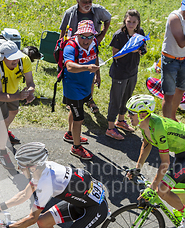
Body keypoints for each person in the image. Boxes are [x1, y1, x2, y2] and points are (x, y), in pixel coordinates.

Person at [126, 95, 185, 228]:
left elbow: (165, 163)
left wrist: (152, 187)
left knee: (162, 189)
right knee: (179, 191)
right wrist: (137, 169)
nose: (128, 116)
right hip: (181, 153)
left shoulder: (158, 128)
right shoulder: (145, 124)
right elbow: (147, 143)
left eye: (131, 113)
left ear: (142, 114)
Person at [0, 40, 35, 169]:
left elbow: (30, 83)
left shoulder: (24, 60)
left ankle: (3, 132)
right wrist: (19, 96)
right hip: (1, 95)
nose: (16, 61)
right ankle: (2, 153)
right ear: (2, 58)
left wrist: (30, 92)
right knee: (3, 122)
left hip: (13, 92)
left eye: (17, 57)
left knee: (13, 112)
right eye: (12, 59)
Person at [59, 0, 111, 114]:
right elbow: (62, 34)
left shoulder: (98, 10)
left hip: (90, 47)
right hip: (74, 50)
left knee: (89, 76)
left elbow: (108, 18)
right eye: (84, 1)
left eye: (90, 1)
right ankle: (72, 101)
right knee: (74, 75)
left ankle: (89, 99)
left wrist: (102, 34)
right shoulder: (69, 12)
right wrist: (63, 50)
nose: (87, 3)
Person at [62, 20, 99, 160]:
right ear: (77, 34)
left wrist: (97, 74)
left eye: (90, 36)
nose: (87, 40)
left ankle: (70, 135)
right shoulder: (70, 47)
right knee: (79, 119)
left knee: (74, 111)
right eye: (83, 36)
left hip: (85, 86)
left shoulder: (93, 42)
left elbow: (95, 58)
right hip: (73, 88)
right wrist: (87, 68)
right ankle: (76, 148)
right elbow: (70, 66)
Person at [105, 9, 145, 140]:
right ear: (125, 21)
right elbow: (115, 56)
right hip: (119, 73)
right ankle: (110, 128)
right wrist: (130, 50)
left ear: (138, 22)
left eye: (134, 22)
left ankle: (121, 121)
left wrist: (141, 50)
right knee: (115, 100)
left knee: (127, 98)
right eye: (129, 21)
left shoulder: (140, 32)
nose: (131, 24)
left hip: (133, 71)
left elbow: (143, 46)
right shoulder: (119, 35)